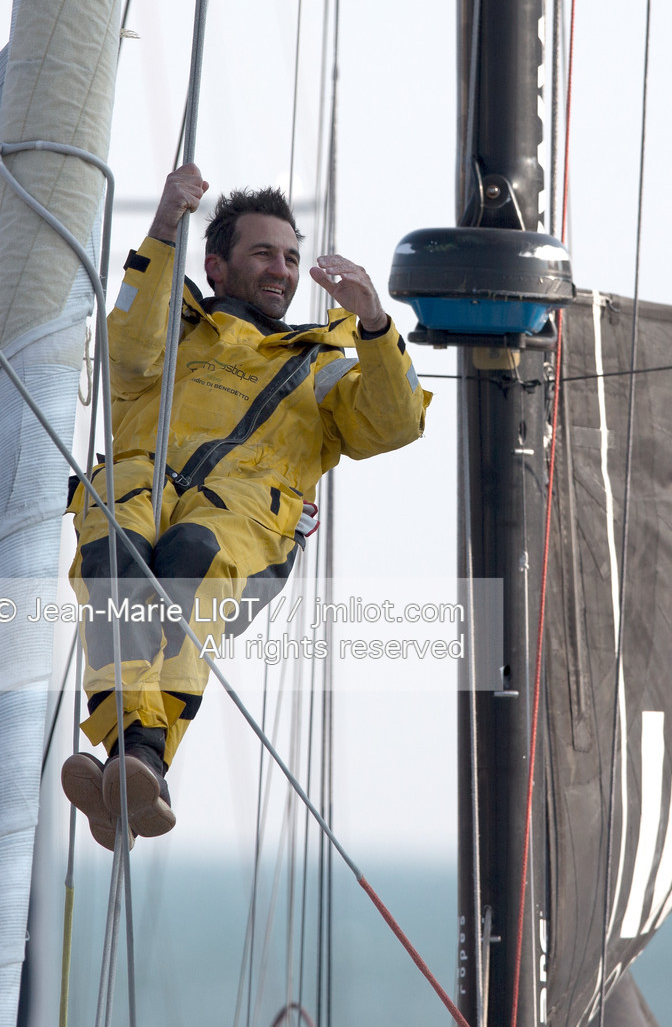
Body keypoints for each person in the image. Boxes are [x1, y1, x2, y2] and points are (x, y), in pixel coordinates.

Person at [61, 163, 430, 849]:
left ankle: (135, 756)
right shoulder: (170, 331)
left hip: (238, 527)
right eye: (263, 253)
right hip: (137, 490)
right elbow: (127, 351)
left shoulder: (323, 363)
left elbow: (394, 423)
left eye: (291, 257)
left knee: (187, 562)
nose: (282, 270)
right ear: (217, 266)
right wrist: (164, 225)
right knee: (118, 560)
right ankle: (134, 771)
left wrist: (374, 322)